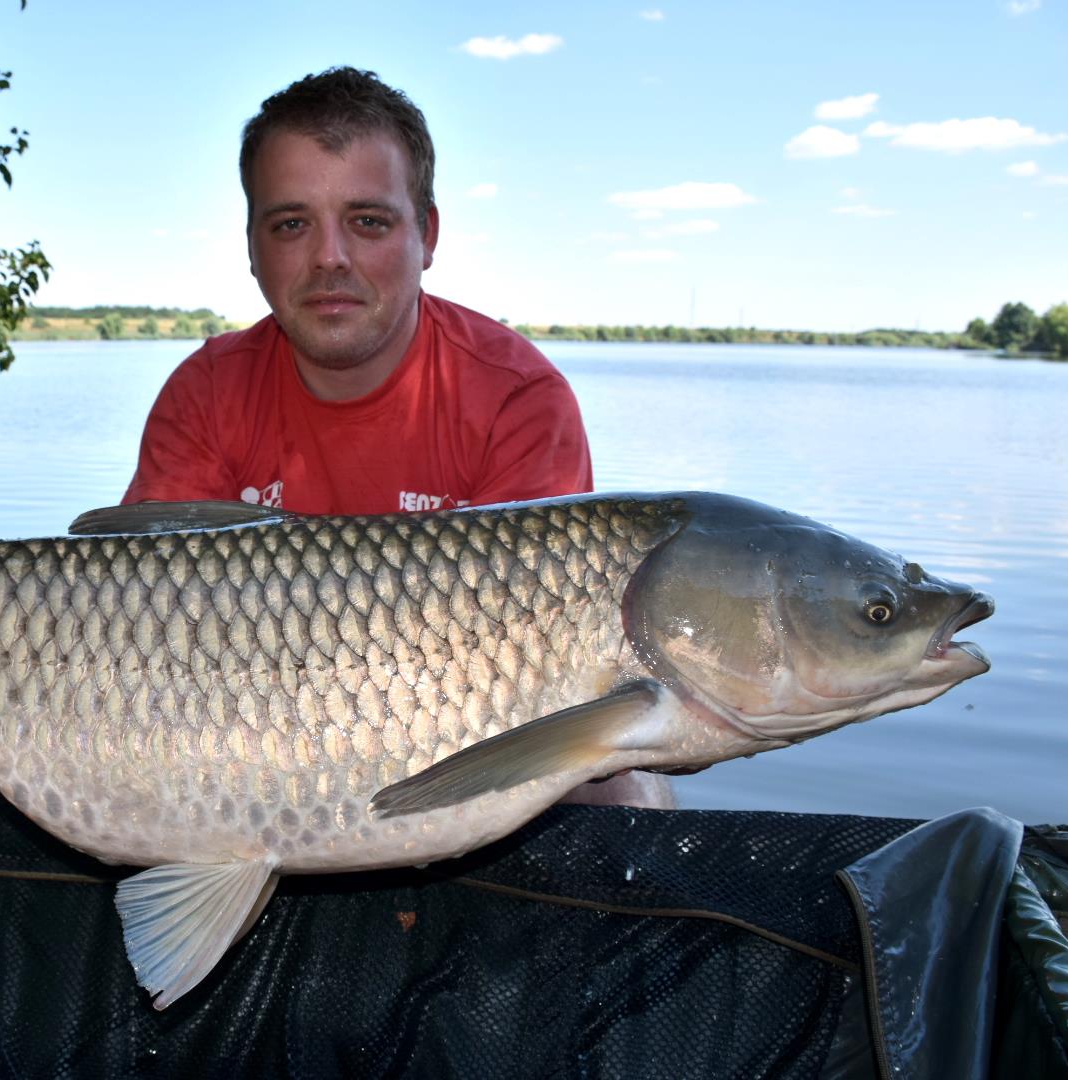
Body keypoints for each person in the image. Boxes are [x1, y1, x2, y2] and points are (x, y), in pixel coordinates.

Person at [123, 67, 671, 809]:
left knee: (622, 792)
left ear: (428, 234)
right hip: (241, 730)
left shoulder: (516, 397)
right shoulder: (207, 393)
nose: (329, 258)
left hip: (465, 736)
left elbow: (537, 679)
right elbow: (134, 631)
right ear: (252, 247)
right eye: (291, 224)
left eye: (368, 221)